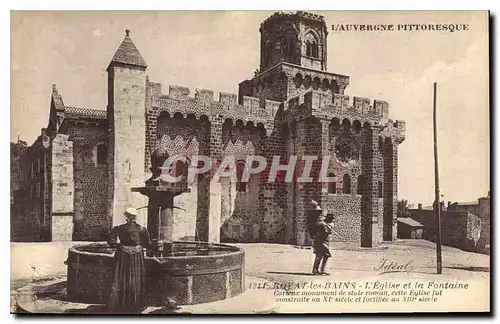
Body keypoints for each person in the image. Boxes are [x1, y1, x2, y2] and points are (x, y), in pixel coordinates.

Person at [107, 207, 152, 313]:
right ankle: (136, 304)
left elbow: (111, 240)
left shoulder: (119, 228)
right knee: (136, 278)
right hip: (137, 256)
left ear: (126, 217)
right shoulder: (142, 229)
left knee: (122, 277)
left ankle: (121, 303)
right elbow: (148, 244)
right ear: (135, 217)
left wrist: (119, 246)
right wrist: (138, 246)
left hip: (123, 255)